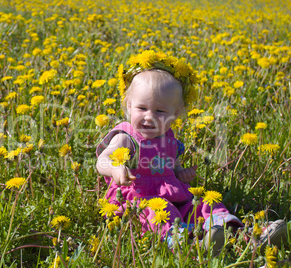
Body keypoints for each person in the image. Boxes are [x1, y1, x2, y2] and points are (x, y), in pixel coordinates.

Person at [96, 50, 286, 254]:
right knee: (159, 211)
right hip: (138, 202)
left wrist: (181, 173)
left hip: (173, 196)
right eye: (142, 108)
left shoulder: (169, 137)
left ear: (175, 114)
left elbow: (172, 166)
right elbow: (102, 160)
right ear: (129, 105)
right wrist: (115, 168)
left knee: (205, 203)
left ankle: (240, 233)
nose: (149, 117)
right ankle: (187, 242)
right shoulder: (127, 135)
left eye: (160, 111)